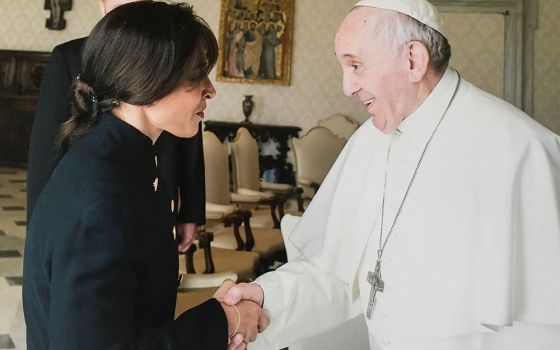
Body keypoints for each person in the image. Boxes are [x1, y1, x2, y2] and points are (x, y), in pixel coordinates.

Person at [222, 0, 560, 349]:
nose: (347, 87)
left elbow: (541, 326)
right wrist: (265, 298)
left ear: (413, 60)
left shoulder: (522, 151)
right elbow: (337, 276)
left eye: (355, 65)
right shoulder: (370, 139)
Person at [22, 2, 267, 349]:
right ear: (148, 79)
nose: (210, 89)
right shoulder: (103, 197)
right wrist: (222, 320)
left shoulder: (124, 162)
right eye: (196, 75)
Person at [27, 0, 205, 253]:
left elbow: (190, 139)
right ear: (102, 7)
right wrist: (38, 225)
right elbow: (45, 149)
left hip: (159, 188)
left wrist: (191, 211)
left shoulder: (172, 55)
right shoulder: (69, 56)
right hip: (91, 194)